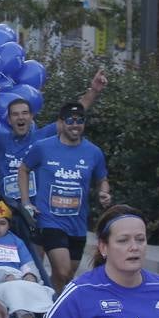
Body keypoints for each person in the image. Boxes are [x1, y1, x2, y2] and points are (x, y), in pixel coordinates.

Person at [0, 69, 107, 205]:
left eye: (24, 113)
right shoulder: (2, 139)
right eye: (15, 114)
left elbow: (72, 116)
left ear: (31, 117)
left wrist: (93, 90)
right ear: (9, 120)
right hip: (7, 209)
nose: (20, 117)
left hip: (35, 209)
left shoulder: (43, 137)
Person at [16, 101, 112, 293]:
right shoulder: (43, 147)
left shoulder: (93, 152)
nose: (75, 125)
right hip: (49, 221)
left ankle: (51, 307)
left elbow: (102, 179)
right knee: (63, 270)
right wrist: (26, 201)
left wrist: (104, 192)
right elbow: (23, 169)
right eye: (70, 120)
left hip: (77, 225)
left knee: (66, 277)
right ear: (61, 123)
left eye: (80, 121)